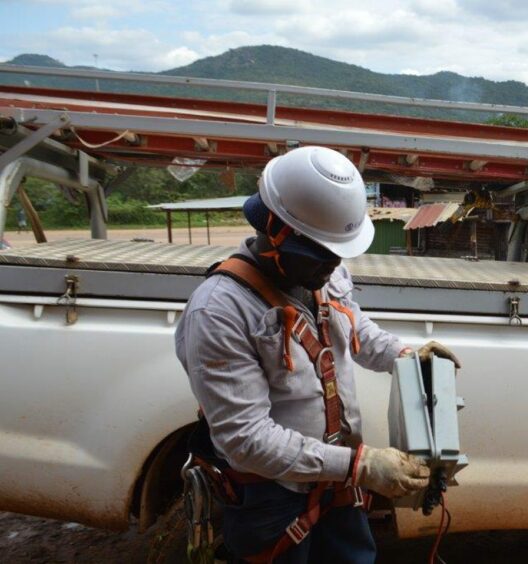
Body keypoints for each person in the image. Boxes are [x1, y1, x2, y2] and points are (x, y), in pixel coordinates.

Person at [175, 146, 459, 563]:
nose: (332, 267)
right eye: (320, 256)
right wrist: (360, 466)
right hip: (271, 499)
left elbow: (354, 328)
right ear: (275, 229)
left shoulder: (321, 270)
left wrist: (406, 355)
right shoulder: (219, 311)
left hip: (337, 485)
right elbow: (246, 440)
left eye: (337, 254)